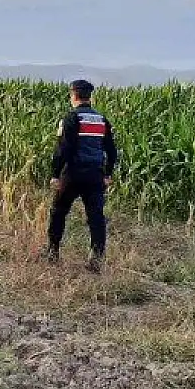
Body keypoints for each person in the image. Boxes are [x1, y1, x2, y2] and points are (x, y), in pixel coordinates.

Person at [43, 79, 118, 274]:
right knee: (96, 217)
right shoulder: (102, 120)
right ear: (89, 96)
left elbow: (63, 149)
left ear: (74, 95)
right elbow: (111, 150)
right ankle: (97, 259)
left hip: (73, 173)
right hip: (95, 174)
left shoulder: (70, 118)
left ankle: (52, 252)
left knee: (59, 211)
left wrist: (55, 175)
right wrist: (108, 173)